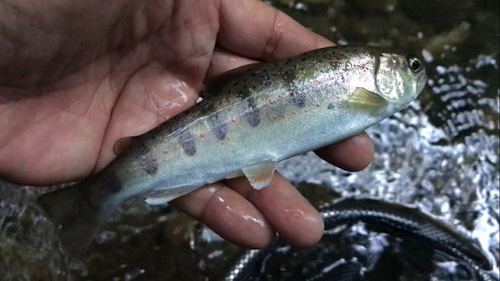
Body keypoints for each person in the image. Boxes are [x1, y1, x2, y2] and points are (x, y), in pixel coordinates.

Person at [0, 0, 373, 249]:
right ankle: (95, 198)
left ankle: (93, 199)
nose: (414, 71)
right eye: (411, 67)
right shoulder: (366, 91)